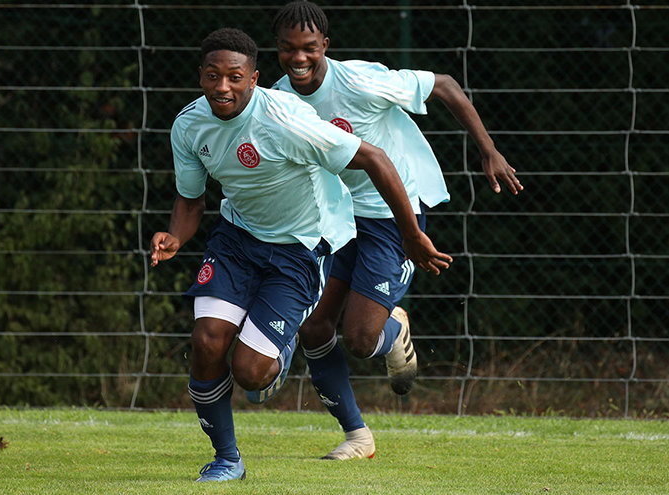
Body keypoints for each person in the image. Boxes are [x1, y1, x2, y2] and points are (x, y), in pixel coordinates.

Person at [149, 27, 451, 482]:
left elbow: (375, 160)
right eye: (213, 76)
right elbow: (191, 200)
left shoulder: (286, 119)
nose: (223, 87)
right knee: (207, 340)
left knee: (252, 374)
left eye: (234, 77)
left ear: (254, 79)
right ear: (201, 77)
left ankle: (278, 354)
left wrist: (411, 235)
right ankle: (227, 460)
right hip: (236, 239)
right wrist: (174, 236)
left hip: (299, 250)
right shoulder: (189, 125)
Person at [268, 1, 523, 461]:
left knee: (362, 340)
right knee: (313, 327)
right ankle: (357, 437)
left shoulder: (362, 81)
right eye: (288, 49)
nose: (298, 58)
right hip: (336, 216)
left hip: (392, 213)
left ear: (325, 45)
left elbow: (443, 85)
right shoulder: (278, 98)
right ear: (278, 49)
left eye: (309, 48)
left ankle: (393, 328)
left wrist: (488, 150)